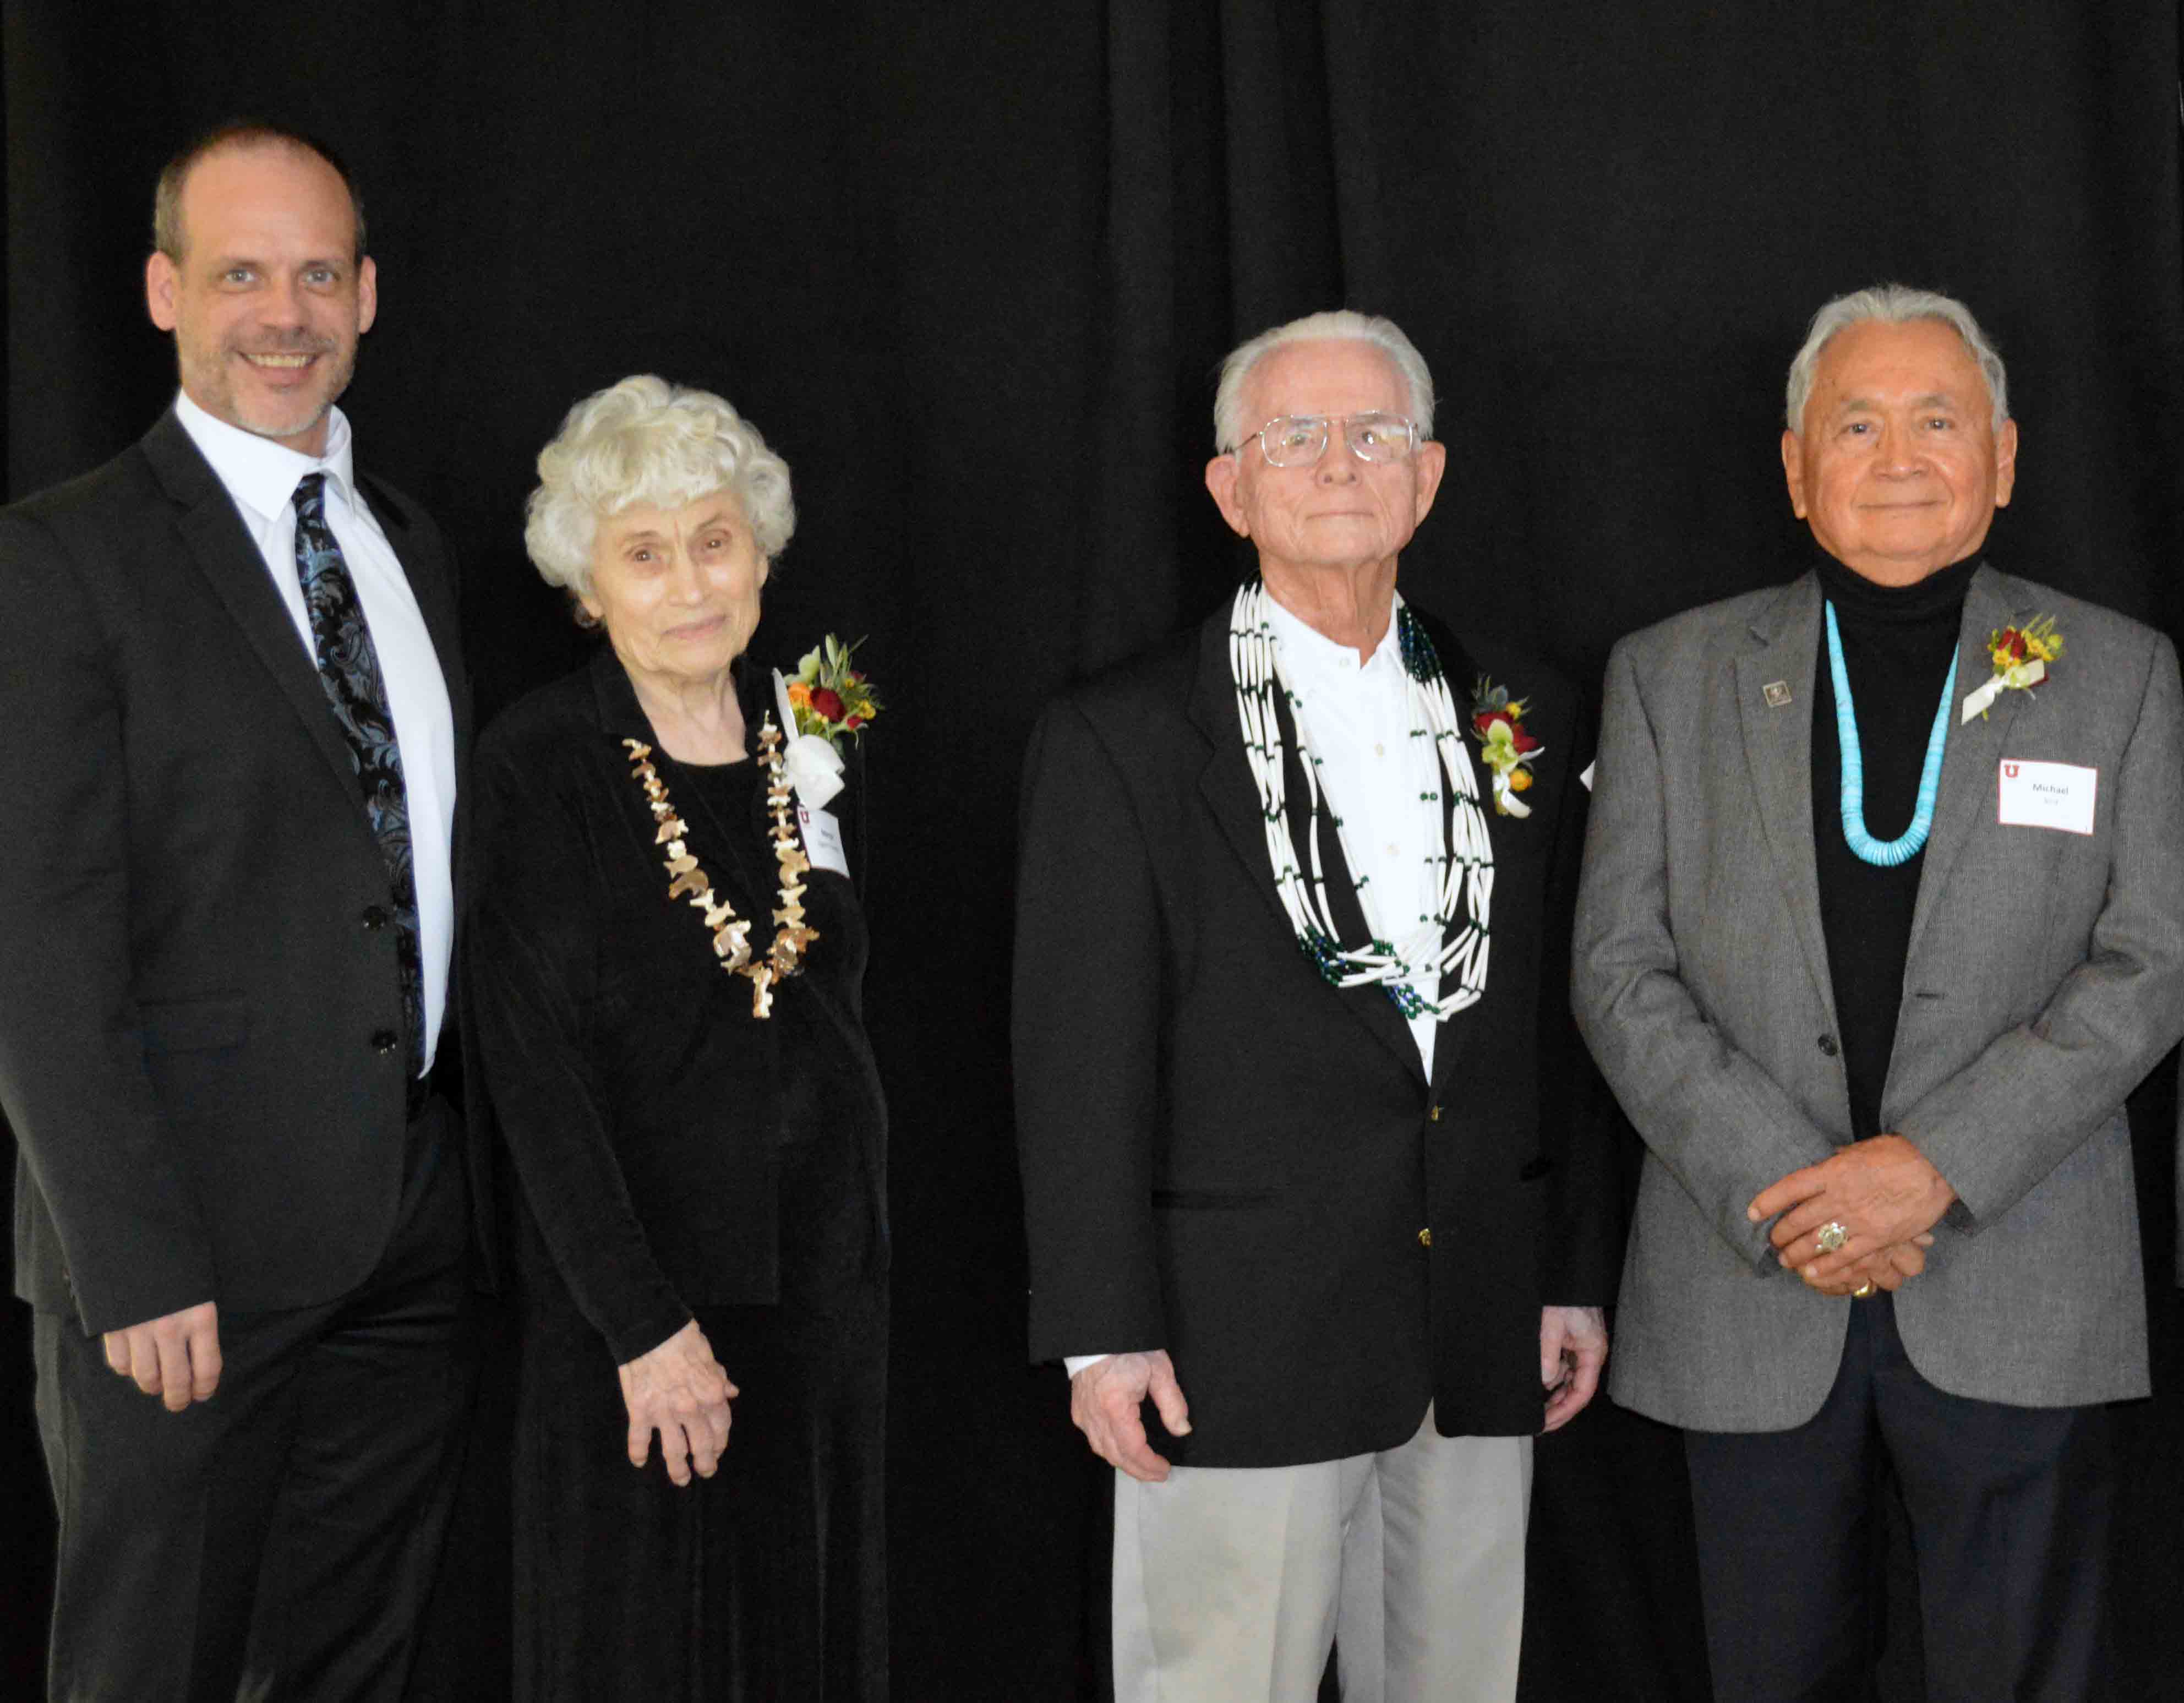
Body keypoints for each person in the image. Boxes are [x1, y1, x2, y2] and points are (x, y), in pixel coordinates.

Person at [1572, 284, 2184, 1701]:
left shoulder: (2124, 676)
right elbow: (1616, 966)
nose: (1899, 456)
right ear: (1795, 467)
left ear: (2006, 456)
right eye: (1856, 422)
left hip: (2017, 1273)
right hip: (1753, 1278)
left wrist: (1934, 1169)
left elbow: (2151, 958)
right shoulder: (1668, 675)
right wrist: (1801, 1185)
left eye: (1936, 419)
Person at [1013, 310, 1617, 1703]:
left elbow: (1555, 1015)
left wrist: (1567, 1262)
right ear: (1229, 487)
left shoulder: (1525, 704)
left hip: (1474, 1316)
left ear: (1430, 475)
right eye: (1294, 436)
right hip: (1233, 1338)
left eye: (1373, 434)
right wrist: (1102, 1333)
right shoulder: (1121, 735)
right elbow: (1075, 1055)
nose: (1338, 463)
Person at [0, 123, 483, 1700]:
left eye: (318, 274)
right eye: (242, 274)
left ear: (369, 296)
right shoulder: (61, 559)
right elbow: (38, 943)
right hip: (183, 1255)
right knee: (154, 1664)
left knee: (350, 1658)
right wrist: (131, 1262)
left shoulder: (405, 543)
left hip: (411, 1235)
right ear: (162, 292)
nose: (285, 313)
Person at [465, 374, 888, 1700]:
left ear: (760, 549)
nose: (689, 581)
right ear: (587, 587)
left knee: (803, 1646)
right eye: (643, 553)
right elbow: (529, 1078)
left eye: (715, 537)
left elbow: (835, 1006)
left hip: (820, 1302)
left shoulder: (811, 730)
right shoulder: (539, 762)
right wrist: (647, 1329)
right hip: (634, 1316)